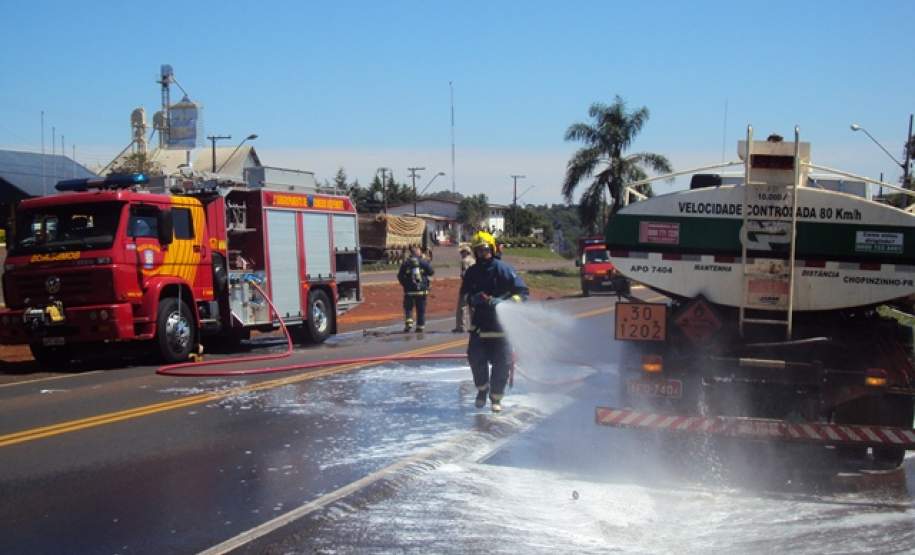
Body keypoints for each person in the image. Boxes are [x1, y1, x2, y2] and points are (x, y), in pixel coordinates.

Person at [460, 231, 529, 413]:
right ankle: (482, 391)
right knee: (475, 359)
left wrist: (504, 302)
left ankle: (496, 398)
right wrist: (473, 298)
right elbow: (465, 293)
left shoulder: (503, 269)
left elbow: (523, 293)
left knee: (502, 364)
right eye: (479, 251)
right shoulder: (472, 272)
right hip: (480, 326)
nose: (482, 254)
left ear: (492, 248)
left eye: (485, 250)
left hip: (501, 327)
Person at [398, 245, 434, 333]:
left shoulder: (406, 263)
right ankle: (420, 327)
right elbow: (431, 272)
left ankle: (409, 324)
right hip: (421, 291)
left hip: (409, 291)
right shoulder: (423, 262)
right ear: (418, 252)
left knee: (408, 308)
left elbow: (399, 276)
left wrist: (405, 285)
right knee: (421, 309)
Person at [452, 245, 475, 333]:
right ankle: (474, 326)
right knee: (472, 307)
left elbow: (464, 274)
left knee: (462, 307)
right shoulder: (473, 260)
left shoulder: (465, 261)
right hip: (474, 286)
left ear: (466, 252)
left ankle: (461, 327)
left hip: (466, 286)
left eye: (462, 252)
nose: (461, 254)